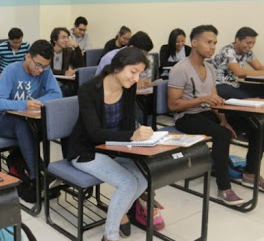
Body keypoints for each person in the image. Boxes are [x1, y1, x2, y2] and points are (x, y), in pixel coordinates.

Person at [67, 47, 150, 241]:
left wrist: (141, 140)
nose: (136, 79)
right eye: (133, 72)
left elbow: (128, 125)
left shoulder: (129, 89)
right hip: (85, 150)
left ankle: (119, 212)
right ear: (117, 67)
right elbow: (94, 133)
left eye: (139, 73)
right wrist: (132, 136)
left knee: (143, 180)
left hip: (113, 148)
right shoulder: (88, 89)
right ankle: (110, 236)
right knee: (127, 183)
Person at [168, 25, 249, 205]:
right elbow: (173, 105)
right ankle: (224, 187)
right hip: (186, 117)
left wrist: (223, 120)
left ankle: (250, 173)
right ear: (194, 43)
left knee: (251, 124)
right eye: (208, 42)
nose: (212, 47)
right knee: (222, 135)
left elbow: (213, 100)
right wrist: (202, 100)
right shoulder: (180, 69)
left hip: (205, 113)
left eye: (214, 43)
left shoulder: (210, 69)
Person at [0, 40, 62, 202]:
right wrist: (24, 104)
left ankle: (52, 172)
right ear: (28, 56)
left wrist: (38, 101)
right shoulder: (11, 71)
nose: (40, 70)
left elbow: (56, 94)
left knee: (44, 124)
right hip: (0, 119)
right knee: (22, 123)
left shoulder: (45, 71)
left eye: (45, 66)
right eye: (38, 65)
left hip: (26, 119)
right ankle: (36, 177)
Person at [211, 27, 264, 99]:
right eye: (248, 43)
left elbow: (260, 68)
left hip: (234, 84)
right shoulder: (227, 51)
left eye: (253, 43)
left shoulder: (248, 52)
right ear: (237, 40)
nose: (251, 46)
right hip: (219, 85)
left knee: (262, 89)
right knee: (245, 97)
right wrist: (261, 72)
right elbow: (239, 73)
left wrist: (261, 71)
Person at [49, 27, 84, 96]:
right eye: (63, 37)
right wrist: (64, 72)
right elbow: (47, 69)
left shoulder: (68, 51)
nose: (66, 40)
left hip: (63, 83)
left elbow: (80, 65)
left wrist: (77, 47)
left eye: (67, 37)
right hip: (49, 82)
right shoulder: (47, 51)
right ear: (55, 40)